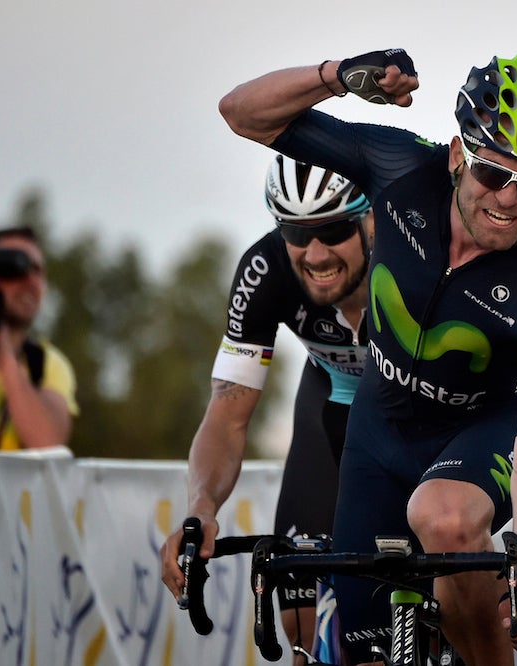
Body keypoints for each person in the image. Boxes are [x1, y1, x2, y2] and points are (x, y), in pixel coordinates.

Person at [219, 49, 517, 664]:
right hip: (380, 430)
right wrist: (335, 78)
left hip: (483, 431)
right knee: (356, 647)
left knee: (443, 516)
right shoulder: (399, 168)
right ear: (455, 155)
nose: (509, 197)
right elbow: (241, 113)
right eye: (493, 173)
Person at [159, 157, 373, 665]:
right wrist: (200, 509)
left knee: (414, 591)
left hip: (421, 412)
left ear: (370, 220)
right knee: (298, 617)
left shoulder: (414, 259)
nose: (315, 254)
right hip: (335, 398)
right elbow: (228, 413)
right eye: (296, 233)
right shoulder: (267, 268)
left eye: (334, 229)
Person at [0, 226, 78, 450]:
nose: (30, 281)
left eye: (38, 270)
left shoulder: (45, 363)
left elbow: (48, 445)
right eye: (14, 268)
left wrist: (4, 353)